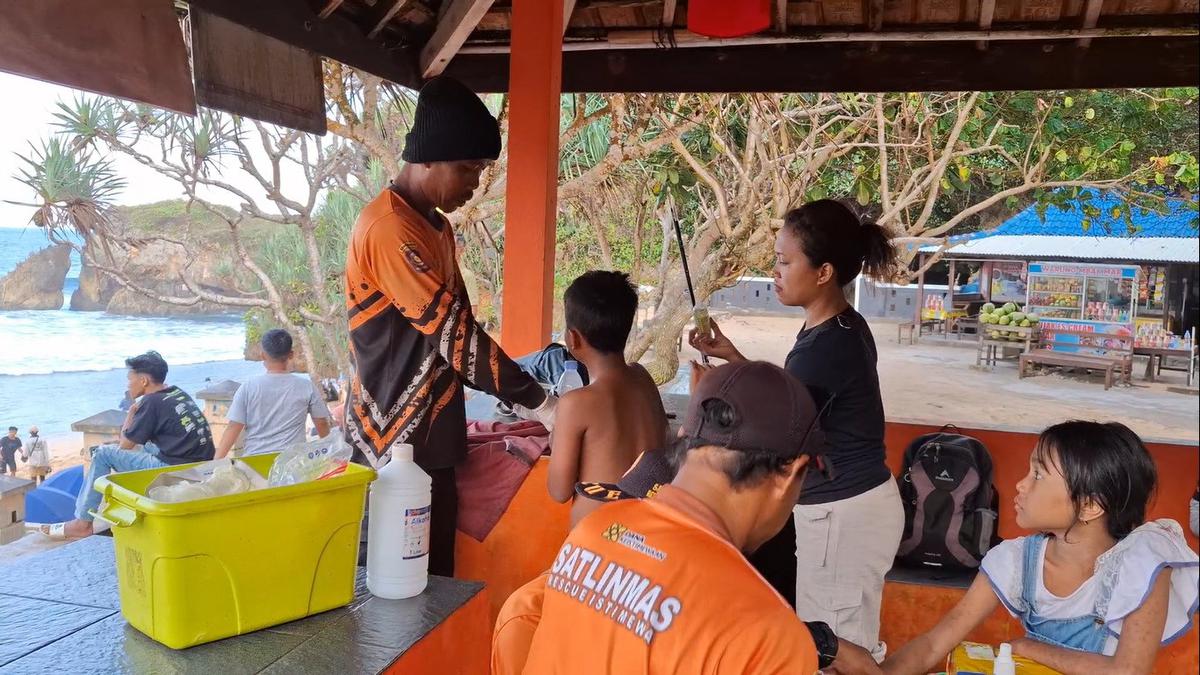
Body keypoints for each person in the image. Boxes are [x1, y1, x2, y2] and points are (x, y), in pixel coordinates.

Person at [505, 361, 881, 675]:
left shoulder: (595, 531)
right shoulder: (766, 632)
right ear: (789, 474)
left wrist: (815, 642)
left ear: (685, 438)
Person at [344, 76, 555, 576]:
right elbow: (456, 337)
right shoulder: (388, 229)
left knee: (433, 575)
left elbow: (460, 330)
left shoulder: (436, 227)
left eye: (481, 170)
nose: (474, 183)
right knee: (390, 583)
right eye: (467, 168)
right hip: (392, 439)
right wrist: (542, 402)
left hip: (433, 434)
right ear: (427, 160)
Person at [690, 199, 902, 658]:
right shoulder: (839, 327)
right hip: (851, 509)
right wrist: (733, 360)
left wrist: (710, 392)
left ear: (824, 272)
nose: (776, 272)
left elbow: (780, 429)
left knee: (837, 653)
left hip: (843, 516)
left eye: (785, 262)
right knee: (839, 643)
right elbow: (795, 399)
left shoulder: (825, 346)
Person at [882, 421, 1199, 675]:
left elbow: (1128, 670)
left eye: (1037, 474)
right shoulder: (1018, 561)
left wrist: (1028, 648)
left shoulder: (1142, 565)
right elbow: (935, 643)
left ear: (1089, 505)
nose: (1020, 485)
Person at [45, 351, 215, 538]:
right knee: (141, 445)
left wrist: (131, 413)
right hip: (199, 463)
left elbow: (125, 444)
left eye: (129, 379)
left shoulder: (151, 402)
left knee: (103, 454)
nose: (127, 384)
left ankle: (83, 522)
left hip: (175, 467)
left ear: (143, 381)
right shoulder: (176, 393)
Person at [548, 271, 668, 525]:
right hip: (647, 529)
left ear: (573, 338)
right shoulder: (643, 378)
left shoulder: (577, 403)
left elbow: (558, 491)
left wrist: (556, 435)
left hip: (599, 541)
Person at [214, 329, 332, 458]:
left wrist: (215, 463)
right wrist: (330, 453)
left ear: (263, 355)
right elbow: (321, 423)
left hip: (255, 462)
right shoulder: (306, 386)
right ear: (291, 354)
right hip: (292, 462)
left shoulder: (248, 387)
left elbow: (233, 427)